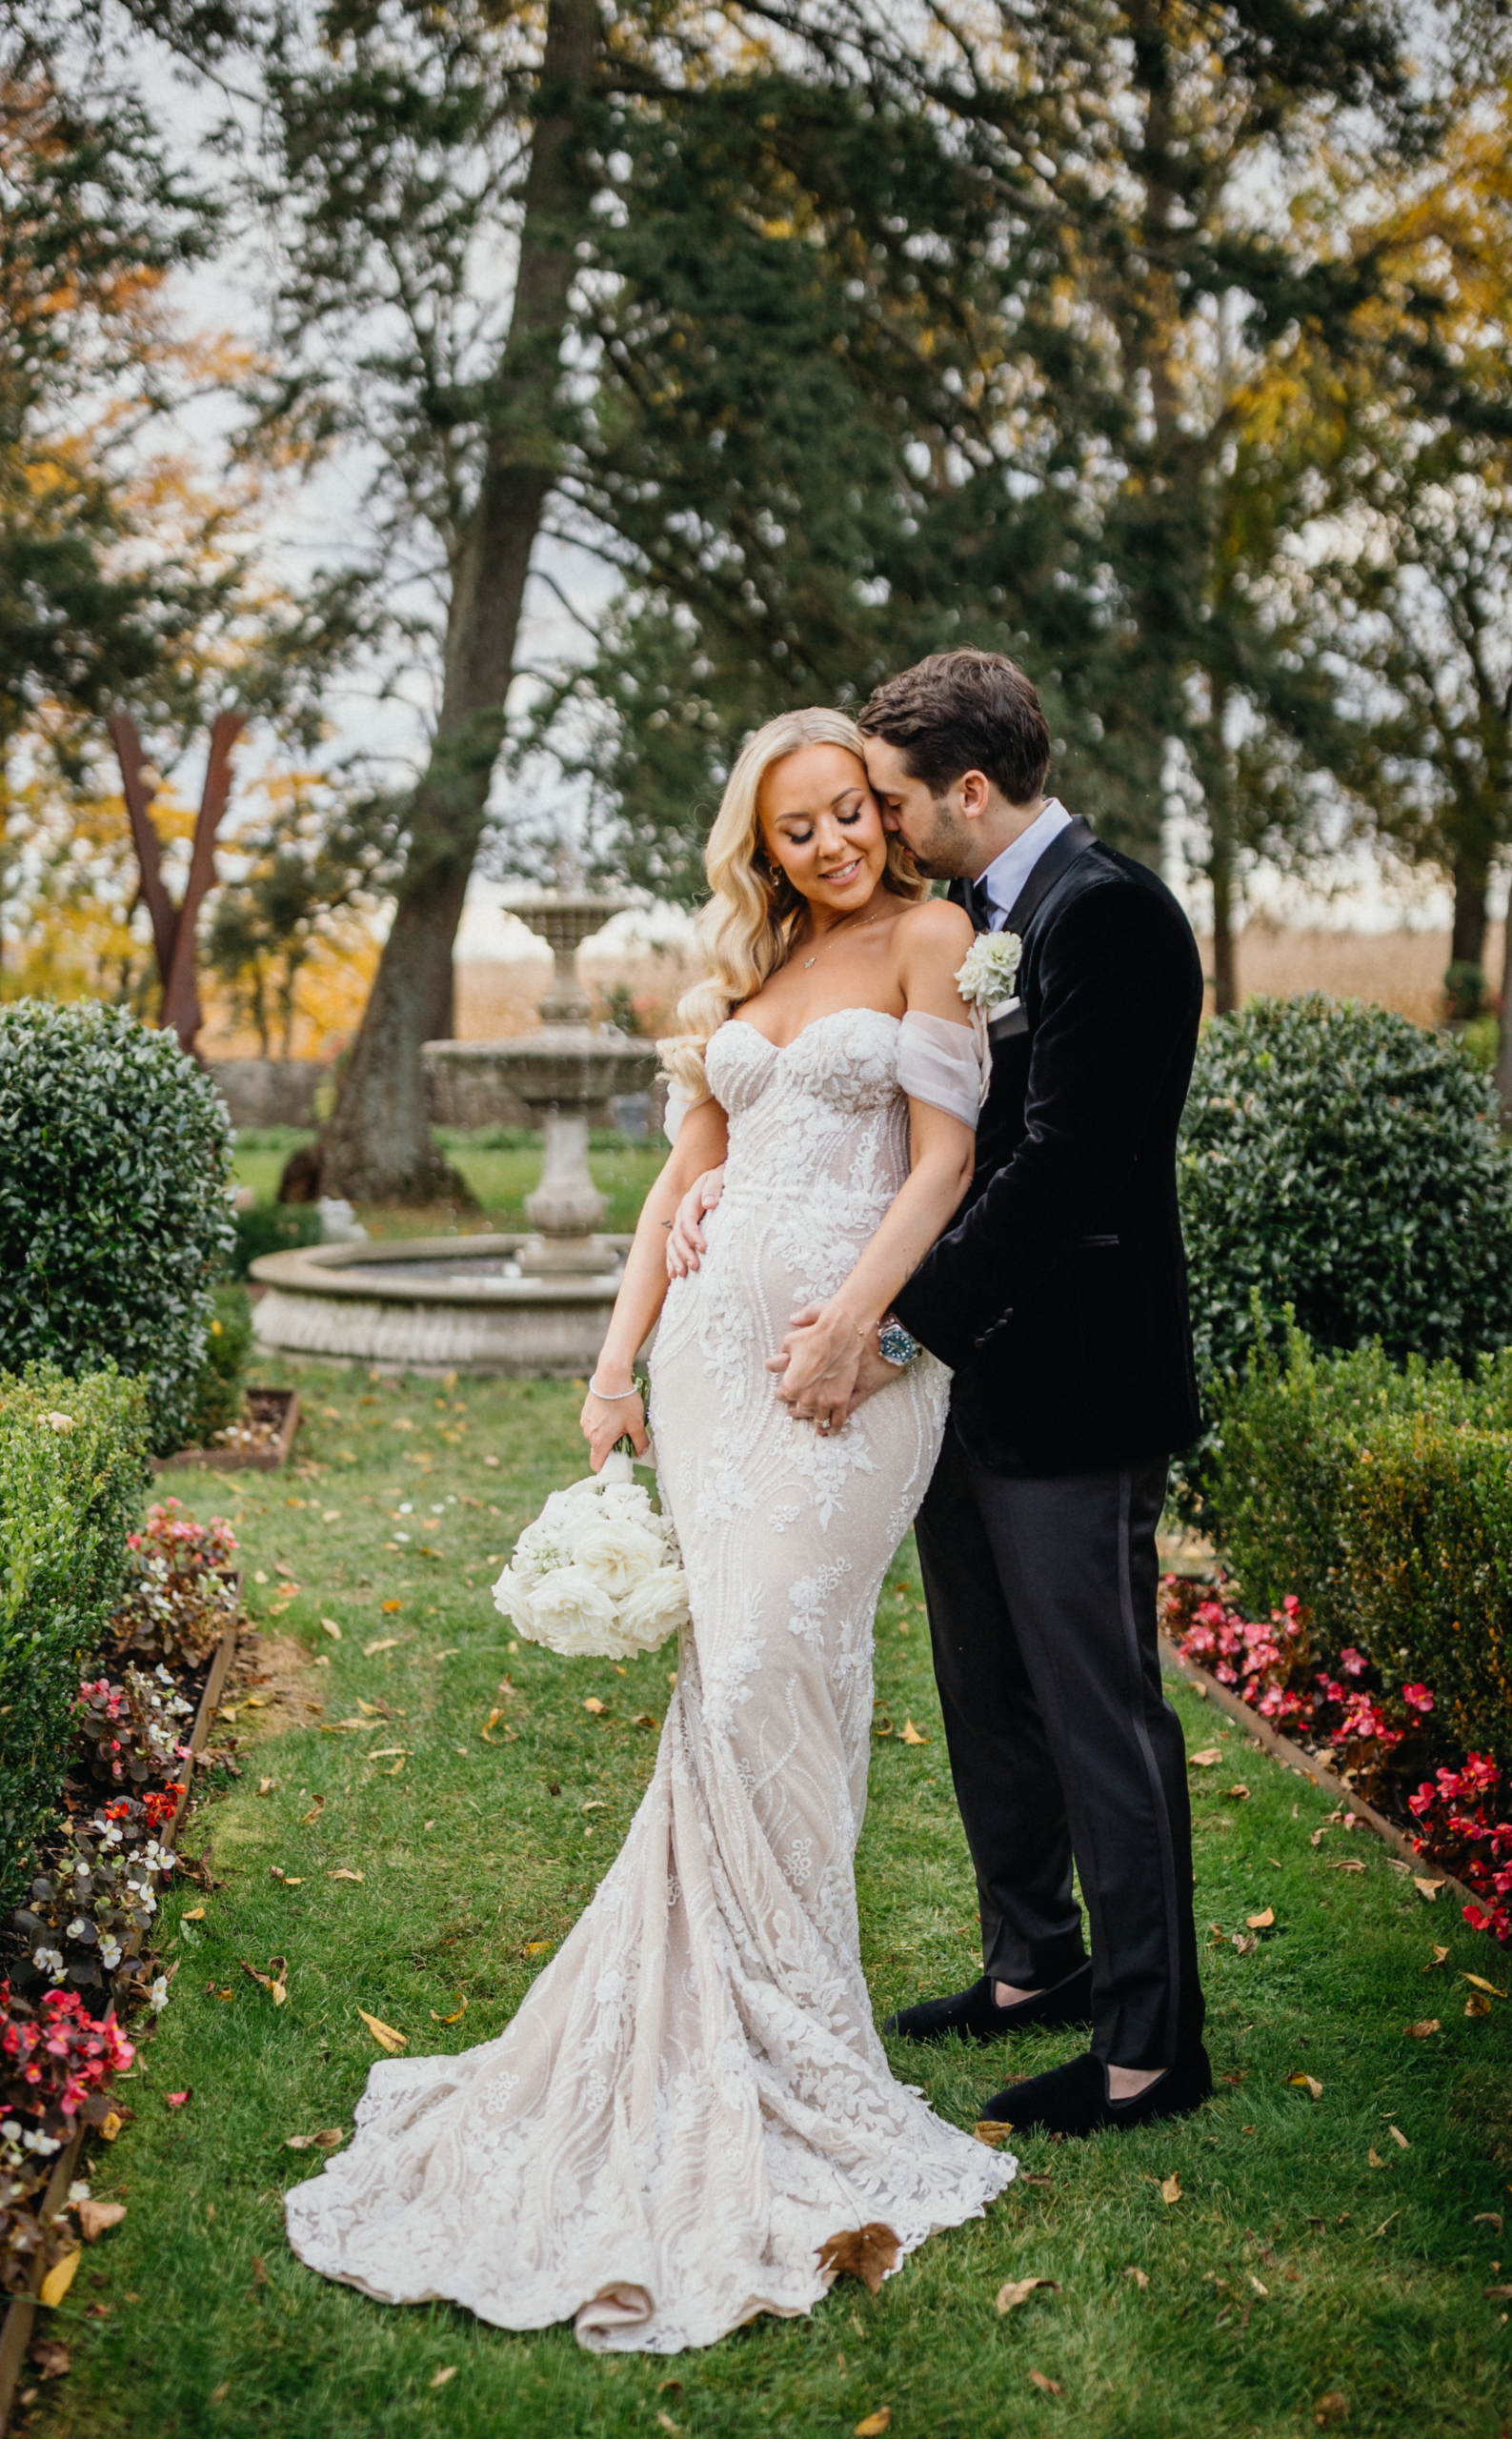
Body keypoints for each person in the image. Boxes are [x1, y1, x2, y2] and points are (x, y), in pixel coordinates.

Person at [283, 706, 1017, 2352]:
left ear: (882, 819)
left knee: (773, 1669)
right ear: (759, 850)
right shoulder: (741, 991)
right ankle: (756, 2016)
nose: (828, 846)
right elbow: (681, 1181)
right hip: (704, 1378)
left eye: (845, 815)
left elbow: (946, 1165)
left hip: (850, 1378)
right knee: (733, 1685)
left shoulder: (936, 937)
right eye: (795, 831)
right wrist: (612, 1368)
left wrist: (856, 1327)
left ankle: (794, 2037)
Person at [670, 648, 1209, 2139]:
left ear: (968, 792)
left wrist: (893, 1328)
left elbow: (1065, 1171)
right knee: (985, 1693)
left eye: (895, 803)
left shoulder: (1112, 918)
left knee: (1101, 1709)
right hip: (965, 1394)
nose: (883, 832)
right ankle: (1033, 1964)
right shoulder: (973, 917)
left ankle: (1154, 2044)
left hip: (1075, 1389)